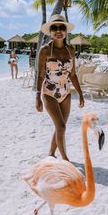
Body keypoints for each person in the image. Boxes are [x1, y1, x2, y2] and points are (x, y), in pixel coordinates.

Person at [36, 14, 85, 161]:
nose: (58, 30)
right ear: (50, 32)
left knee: (60, 126)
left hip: (66, 93)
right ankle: (65, 160)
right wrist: (37, 96)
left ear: (66, 31)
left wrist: (81, 94)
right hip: (49, 92)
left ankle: (51, 153)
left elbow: (73, 75)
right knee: (62, 127)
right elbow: (40, 75)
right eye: (54, 28)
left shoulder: (70, 50)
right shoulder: (45, 50)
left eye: (62, 27)